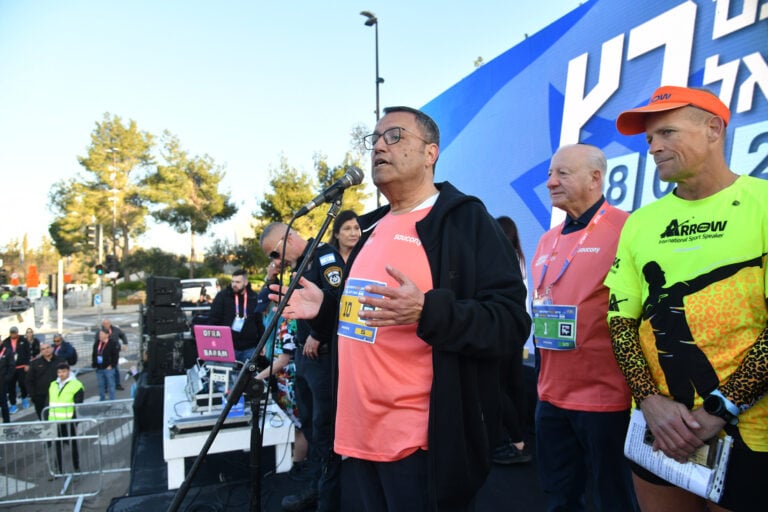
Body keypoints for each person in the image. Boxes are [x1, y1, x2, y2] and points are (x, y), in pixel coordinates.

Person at [270, 106, 530, 511]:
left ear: (430, 153)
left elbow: (510, 322)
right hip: (357, 434)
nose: (378, 146)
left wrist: (428, 311)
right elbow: (366, 318)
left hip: (420, 444)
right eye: (373, 139)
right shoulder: (371, 228)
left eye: (394, 136)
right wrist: (325, 310)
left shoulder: (464, 221)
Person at [605, 85, 768, 512]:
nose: (653, 148)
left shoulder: (763, 204)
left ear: (713, 129)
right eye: (649, 139)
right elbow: (620, 321)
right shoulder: (641, 222)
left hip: (751, 435)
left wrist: (719, 410)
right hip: (658, 428)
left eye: (667, 133)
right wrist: (650, 401)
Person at [530, 143, 637, 511]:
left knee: (615, 500)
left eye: (562, 173)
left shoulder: (627, 228)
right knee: (559, 498)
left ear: (595, 178)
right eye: (549, 174)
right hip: (550, 396)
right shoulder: (547, 239)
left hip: (607, 400)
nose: (550, 182)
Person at [260, 222, 344, 512]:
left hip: (323, 356)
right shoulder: (297, 267)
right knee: (308, 423)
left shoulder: (324, 256)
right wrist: (271, 276)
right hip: (303, 359)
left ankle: (327, 499)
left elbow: (339, 298)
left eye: (275, 253)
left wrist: (318, 333)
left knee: (324, 429)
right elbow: (270, 305)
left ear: (288, 239)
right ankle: (316, 486)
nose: (276, 259)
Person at [492, 216, 532, 465]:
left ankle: (515, 439)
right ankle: (519, 438)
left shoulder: (502, 260)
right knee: (512, 385)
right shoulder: (518, 259)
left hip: (504, 331)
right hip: (517, 331)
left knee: (497, 387)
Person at [208, 269, 265, 363]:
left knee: (250, 371)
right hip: (227, 347)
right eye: (233, 281)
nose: (234, 284)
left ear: (245, 282)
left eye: (238, 282)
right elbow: (213, 320)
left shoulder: (254, 297)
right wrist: (215, 344)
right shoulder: (222, 296)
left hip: (249, 348)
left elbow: (259, 323)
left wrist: (262, 344)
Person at [48, 362, 84, 475]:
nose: (61, 374)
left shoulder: (76, 385)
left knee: (73, 444)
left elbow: (79, 402)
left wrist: (75, 419)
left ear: (68, 371)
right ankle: (58, 469)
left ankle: (76, 467)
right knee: (57, 445)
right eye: (59, 372)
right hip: (54, 420)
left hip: (69, 420)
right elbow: (49, 401)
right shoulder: (53, 384)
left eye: (63, 371)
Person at [26, 341, 64, 420]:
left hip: (59, 395)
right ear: (41, 351)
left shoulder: (60, 361)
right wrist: (33, 396)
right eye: (43, 349)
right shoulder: (35, 363)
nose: (46, 350)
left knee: (60, 418)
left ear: (52, 348)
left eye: (48, 348)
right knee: (44, 419)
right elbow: (29, 381)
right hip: (41, 397)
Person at [2, 326, 32, 413]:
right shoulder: (6, 342)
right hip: (10, 368)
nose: (13, 334)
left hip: (21, 367)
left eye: (14, 333)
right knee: (11, 387)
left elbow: (28, 353)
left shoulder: (23, 340)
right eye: (12, 333)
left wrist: (27, 364)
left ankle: (24, 398)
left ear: (17, 333)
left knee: (23, 384)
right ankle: (13, 404)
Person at [92, 327, 119, 401]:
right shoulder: (97, 343)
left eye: (101, 334)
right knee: (101, 385)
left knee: (111, 385)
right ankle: (102, 399)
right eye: (100, 334)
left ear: (107, 335)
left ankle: (112, 400)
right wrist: (94, 364)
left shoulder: (112, 343)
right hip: (99, 368)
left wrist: (112, 365)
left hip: (108, 368)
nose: (100, 335)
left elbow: (115, 356)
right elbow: (94, 354)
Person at [100, 319, 127, 390]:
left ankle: (117, 384)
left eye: (107, 324)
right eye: (104, 324)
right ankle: (105, 386)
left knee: (116, 368)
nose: (106, 325)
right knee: (105, 369)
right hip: (104, 353)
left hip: (114, 352)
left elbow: (122, 335)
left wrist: (125, 343)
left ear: (110, 324)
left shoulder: (116, 330)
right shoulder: (101, 331)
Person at [0, 340, 13, 422]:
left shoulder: (7, 351)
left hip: (2, 382)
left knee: (3, 403)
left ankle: (7, 422)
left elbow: (11, 366)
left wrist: (6, 378)